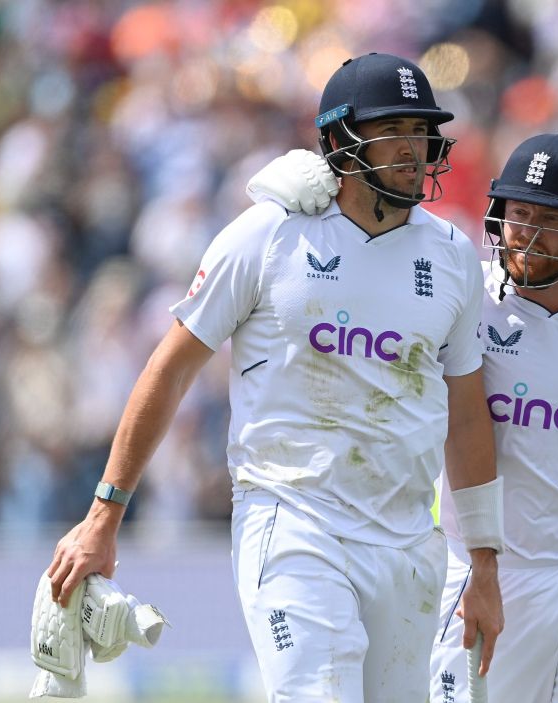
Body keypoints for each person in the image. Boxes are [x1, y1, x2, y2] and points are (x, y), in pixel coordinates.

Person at [46, 52, 505, 703]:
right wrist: (103, 514)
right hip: (293, 522)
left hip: (407, 540)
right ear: (341, 139)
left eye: (421, 129)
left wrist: (483, 559)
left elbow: (465, 413)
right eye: (393, 128)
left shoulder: (454, 255)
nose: (413, 147)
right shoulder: (266, 234)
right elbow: (171, 370)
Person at [248, 132, 558, 702]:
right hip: (480, 569)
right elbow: (367, 267)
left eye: (550, 220)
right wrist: (305, 203)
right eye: (518, 213)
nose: (526, 235)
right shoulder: (462, 296)